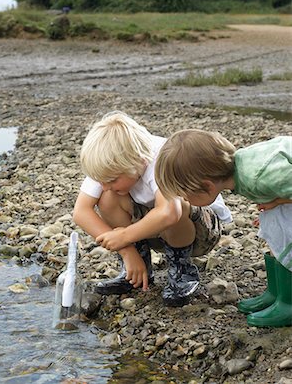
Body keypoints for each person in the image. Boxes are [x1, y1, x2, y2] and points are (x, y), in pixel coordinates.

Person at [73, 112, 232, 307]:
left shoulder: (162, 156)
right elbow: (81, 212)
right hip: (153, 231)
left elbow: (169, 212)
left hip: (201, 231)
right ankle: (138, 270)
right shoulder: (107, 162)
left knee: (177, 204)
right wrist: (127, 252)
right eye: (102, 180)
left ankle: (181, 271)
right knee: (107, 198)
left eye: (112, 180)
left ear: (138, 162)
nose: (105, 185)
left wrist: (123, 236)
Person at [155, 129, 292, 326]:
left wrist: (277, 201)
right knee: (273, 230)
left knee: (286, 237)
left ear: (207, 186)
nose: (185, 201)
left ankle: (288, 303)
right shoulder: (240, 172)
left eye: (185, 196)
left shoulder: (257, 176)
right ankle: (276, 293)